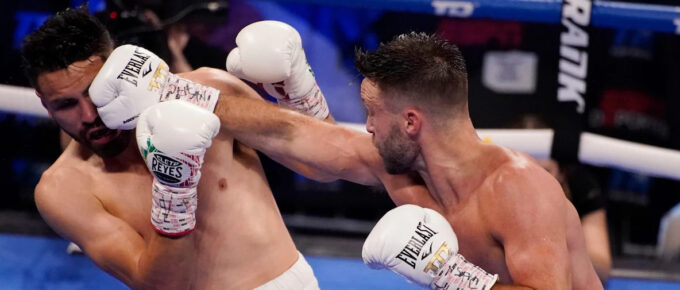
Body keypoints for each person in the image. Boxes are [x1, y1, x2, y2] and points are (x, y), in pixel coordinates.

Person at [218, 23, 603, 289]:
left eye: (372, 113)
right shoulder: (403, 172)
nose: (366, 127)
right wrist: (174, 91)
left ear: (411, 123)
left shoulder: (520, 190)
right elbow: (295, 139)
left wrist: (449, 274)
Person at [22, 6, 320, 289]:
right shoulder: (63, 190)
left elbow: (318, 163)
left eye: (94, 92)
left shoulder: (206, 93)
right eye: (66, 105)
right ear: (45, 104)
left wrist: (299, 88)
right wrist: (173, 190)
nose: (89, 116)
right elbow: (161, 286)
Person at [507, 114, 612, 282]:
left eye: (545, 171)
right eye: (525, 170)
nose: (534, 181)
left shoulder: (580, 187)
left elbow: (600, 269)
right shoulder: (489, 193)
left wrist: (559, 242)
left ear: (561, 173)